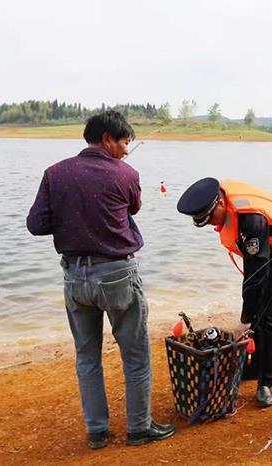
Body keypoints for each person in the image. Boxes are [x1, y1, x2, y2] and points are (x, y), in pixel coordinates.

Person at [26, 111, 174, 449]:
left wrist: (70, 218)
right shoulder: (126, 174)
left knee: (87, 356)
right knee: (135, 354)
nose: (126, 149)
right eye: (124, 142)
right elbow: (133, 208)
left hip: (75, 277)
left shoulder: (54, 173)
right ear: (107, 138)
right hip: (118, 275)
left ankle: (96, 431)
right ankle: (139, 429)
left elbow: (36, 224)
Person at [176, 178, 272, 408]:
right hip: (259, 251)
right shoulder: (223, 202)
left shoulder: (251, 220)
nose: (210, 224)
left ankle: (267, 381)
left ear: (220, 203)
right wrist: (248, 316)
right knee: (254, 304)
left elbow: (256, 274)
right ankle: (249, 369)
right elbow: (251, 275)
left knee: (268, 313)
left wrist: (245, 319)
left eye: (210, 218)